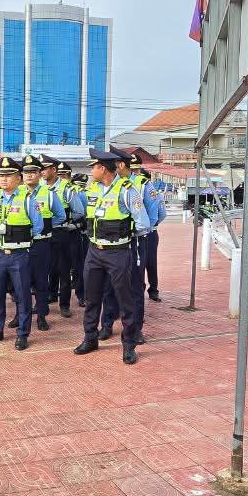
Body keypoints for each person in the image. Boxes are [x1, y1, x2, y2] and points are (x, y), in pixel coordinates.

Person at [75, 148, 150, 365]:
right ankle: (90, 338)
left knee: (125, 300)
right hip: (94, 252)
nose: (91, 171)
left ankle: (129, 345)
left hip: (118, 252)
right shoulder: (93, 189)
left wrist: (123, 236)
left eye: (94, 167)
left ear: (103, 169)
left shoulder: (127, 190)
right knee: (92, 298)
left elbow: (143, 223)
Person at [0, 156, 43, 350]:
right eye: (1, 175)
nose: (3, 179)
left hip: (19, 254)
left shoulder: (28, 199)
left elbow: (38, 226)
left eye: (8, 175)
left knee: (22, 295)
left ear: (18, 178)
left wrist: (20, 239)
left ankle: (23, 334)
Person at [21, 155, 65, 332]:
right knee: (20, 281)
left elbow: (61, 216)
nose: (29, 175)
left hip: (41, 244)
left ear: (39, 174)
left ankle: (41, 315)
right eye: (26, 172)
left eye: (33, 172)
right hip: (21, 245)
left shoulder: (49, 194)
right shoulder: (17, 193)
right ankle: (20, 314)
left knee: (41, 280)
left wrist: (45, 226)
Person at [42, 158, 84, 318]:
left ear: (53, 170)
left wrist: (67, 223)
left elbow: (79, 211)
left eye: (45, 168)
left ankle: (64, 304)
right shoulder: (40, 187)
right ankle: (50, 295)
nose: (42, 172)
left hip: (61, 232)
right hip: (43, 234)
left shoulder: (67, 188)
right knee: (47, 268)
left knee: (63, 269)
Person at [139, 168, 166, 302]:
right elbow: (162, 215)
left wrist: (150, 225)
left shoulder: (146, 192)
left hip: (146, 233)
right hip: (150, 232)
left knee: (142, 262)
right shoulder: (156, 195)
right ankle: (153, 290)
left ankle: (147, 289)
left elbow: (162, 215)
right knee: (150, 262)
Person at [70, 170, 90, 306]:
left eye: (82, 185)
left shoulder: (81, 194)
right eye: (79, 185)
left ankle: (82, 294)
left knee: (79, 266)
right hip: (77, 232)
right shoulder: (79, 193)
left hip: (80, 233)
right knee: (78, 266)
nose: (80, 188)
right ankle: (81, 294)